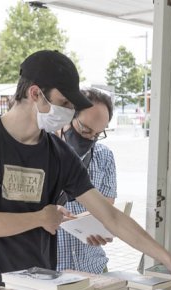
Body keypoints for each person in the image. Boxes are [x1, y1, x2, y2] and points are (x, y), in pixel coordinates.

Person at [0, 50, 171, 290]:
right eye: (63, 102)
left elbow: (111, 217)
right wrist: (41, 218)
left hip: (40, 287)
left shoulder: (57, 152)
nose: (67, 112)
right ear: (35, 93)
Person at [55, 88, 116, 274]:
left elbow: (106, 209)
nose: (89, 139)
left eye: (97, 135)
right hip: (50, 272)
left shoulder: (103, 156)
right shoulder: (40, 152)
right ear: (67, 117)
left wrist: (103, 229)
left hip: (93, 267)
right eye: (85, 130)